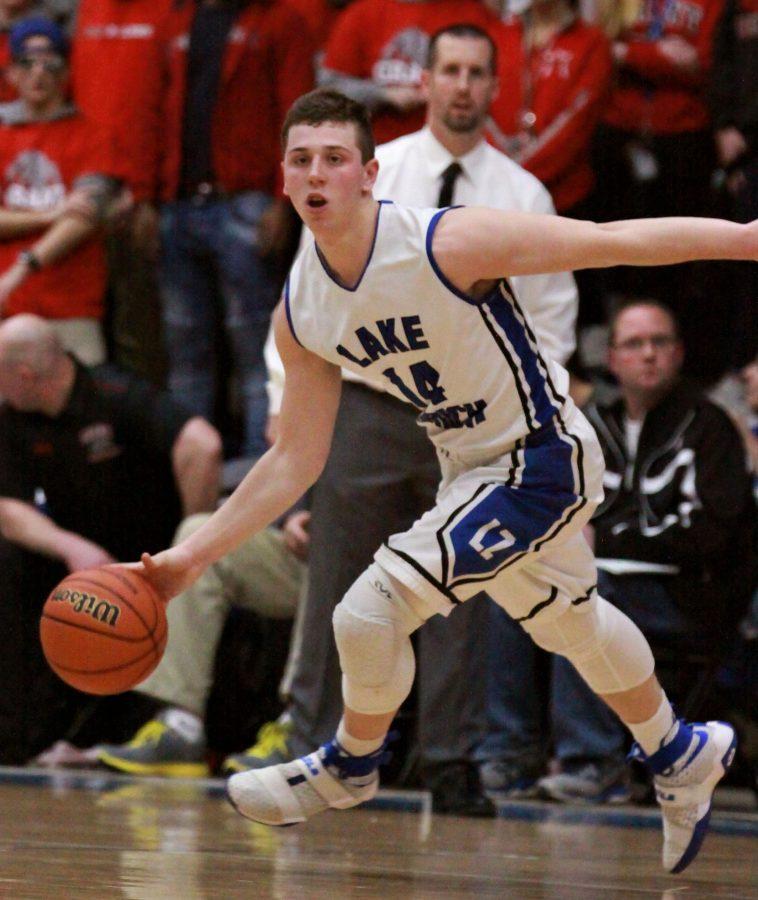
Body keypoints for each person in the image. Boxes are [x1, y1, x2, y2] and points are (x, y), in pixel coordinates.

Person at [134, 88, 756, 874]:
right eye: (301, 160)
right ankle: (679, 750)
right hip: (468, 469)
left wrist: (743, 238)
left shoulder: (445, 242)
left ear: (369, 174)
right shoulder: (302, 311)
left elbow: (614, 239)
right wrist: (191, 560)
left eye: (335, 158)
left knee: (368, 610)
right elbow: (294, 457)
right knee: (570, 623)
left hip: (541, 454)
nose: (317, 173)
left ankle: (352, 764)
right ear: (284, 180)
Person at [237, 23, 578, 816]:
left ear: (496, 87)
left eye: (477, 73)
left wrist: (538, 421)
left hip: (475, 417)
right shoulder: (371, 169)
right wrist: (282, 404)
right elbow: (305, 297)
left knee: (462, 586)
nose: (462, 85)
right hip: (367, 403)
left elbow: (554, 323)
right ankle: (312, 745)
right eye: (449, 70)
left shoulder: (522, 194)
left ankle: (451, 758)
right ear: (425, 80)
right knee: (337, 578)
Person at [482, 299, 754, 803]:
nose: (647, 354)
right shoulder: (589, 424)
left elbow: (713, 535)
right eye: (634, 344)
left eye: (660, 342)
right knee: (511, 586)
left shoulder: (709, 426)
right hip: (605, 579)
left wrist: (602, 540)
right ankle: (510, 752)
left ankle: (592, 762)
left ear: (679, 353)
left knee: (585, 593)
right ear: (611, 359)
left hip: (681, 593)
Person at [0, 313, 222, 760]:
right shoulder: (12, 418)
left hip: (150, 567)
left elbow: (203, 445)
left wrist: (186, 549)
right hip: (78, 563)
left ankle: (152, 736)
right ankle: (20, 740)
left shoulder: (116, 394)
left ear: (23, 375)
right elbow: (7, 505)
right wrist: (70, 547)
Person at [156, 0, 315, 456]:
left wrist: (286, 198)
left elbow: (298, 113)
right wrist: (151, 194)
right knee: (186, 359)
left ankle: (260, 481)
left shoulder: (281, 20)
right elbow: (157, 107)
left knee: (259, 357)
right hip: (178, 201)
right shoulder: (176, 17)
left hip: (247, 203)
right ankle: (195, 477)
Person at [93, 510, 307, 777]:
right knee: (199, 534)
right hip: (301, 548)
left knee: (332, 559)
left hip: (362, 557)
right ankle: (182, 729)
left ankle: (303, 731)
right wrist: (293, 517)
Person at [0, 17, 126, 365]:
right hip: (7, 307)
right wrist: (52, 214)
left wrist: (21, 268)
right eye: (26, 63)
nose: (38, 73)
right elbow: (68, 215)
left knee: (86, 413)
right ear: (10, 73)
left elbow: (85, 216)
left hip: (72, 306)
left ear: (66, 72)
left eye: (50, 63)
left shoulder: (93, 136)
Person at [70, 0, 174, 385]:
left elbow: (171, 104)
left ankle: (152, 430)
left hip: (146, 189)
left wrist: (148, 192)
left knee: (142, 324)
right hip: (85, 184)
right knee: (93, 315)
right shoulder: (86, 10)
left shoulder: (169, 10)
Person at [320, 0, 497, 145]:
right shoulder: (364, 12)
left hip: (449, 145)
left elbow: (492, 82)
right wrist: (383, 94)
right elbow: (328, 88)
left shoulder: (470, 12)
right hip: (374, 149)